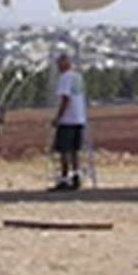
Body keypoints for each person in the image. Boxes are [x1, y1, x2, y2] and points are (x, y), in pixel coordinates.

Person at [49, 52, 88, 192]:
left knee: (63, 150)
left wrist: (58, 117)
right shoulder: (78, 77)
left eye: (59, 64)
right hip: (79, 118)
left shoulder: (64, 78)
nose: (57, 67)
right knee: (74, 150)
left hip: (68, 120)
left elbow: (65, 99)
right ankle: (76, 176)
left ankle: (64, 179)